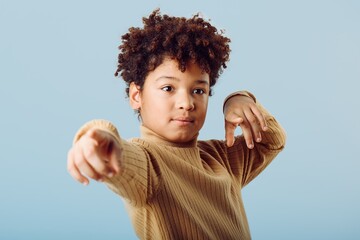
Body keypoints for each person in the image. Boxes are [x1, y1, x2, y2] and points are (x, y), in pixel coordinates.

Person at [67, 9, 286, 240]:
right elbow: (123, 158)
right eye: (168, 88)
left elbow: (272, 141)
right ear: (136, 96)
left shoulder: (222, 158)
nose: (187, 103)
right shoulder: (149, 164)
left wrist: (240, 99)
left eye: (199, 90)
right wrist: (100, 138)